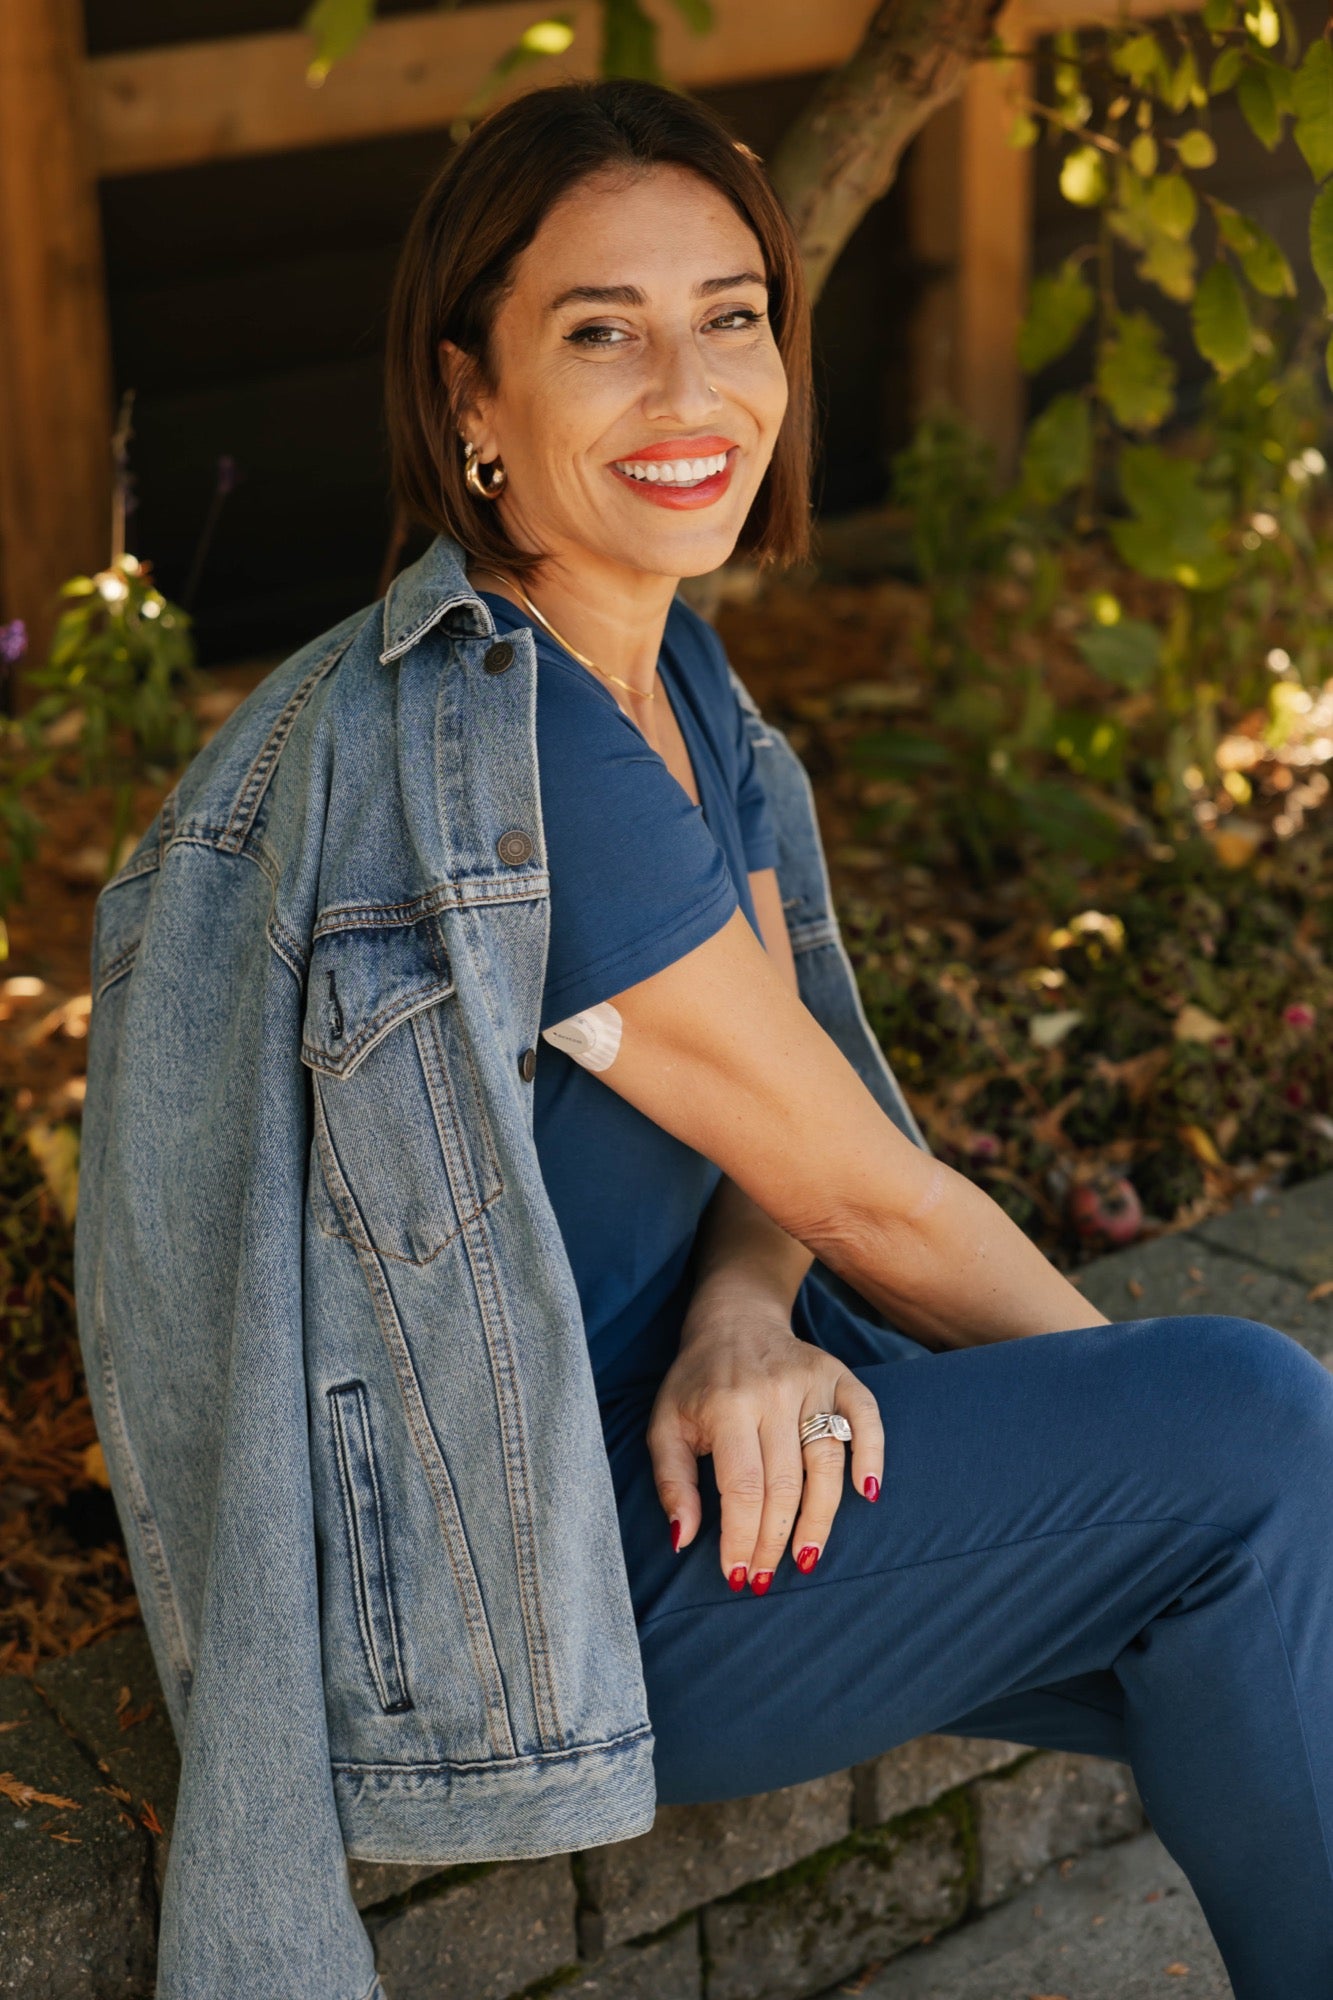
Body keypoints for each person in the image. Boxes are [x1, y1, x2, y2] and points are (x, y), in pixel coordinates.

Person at [77, 77, 1333, 2000]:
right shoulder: (514, 758)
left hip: (705, 1479)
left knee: (1256, 1610)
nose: (690, 387)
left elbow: (779, 1132)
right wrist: (1161, 1436)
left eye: (730, 314)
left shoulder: (663, 674)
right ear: (469, 403)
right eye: (602, 332)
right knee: (1251, 1441)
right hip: (566, 1592)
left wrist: (747, 1311)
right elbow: (881, 1205)